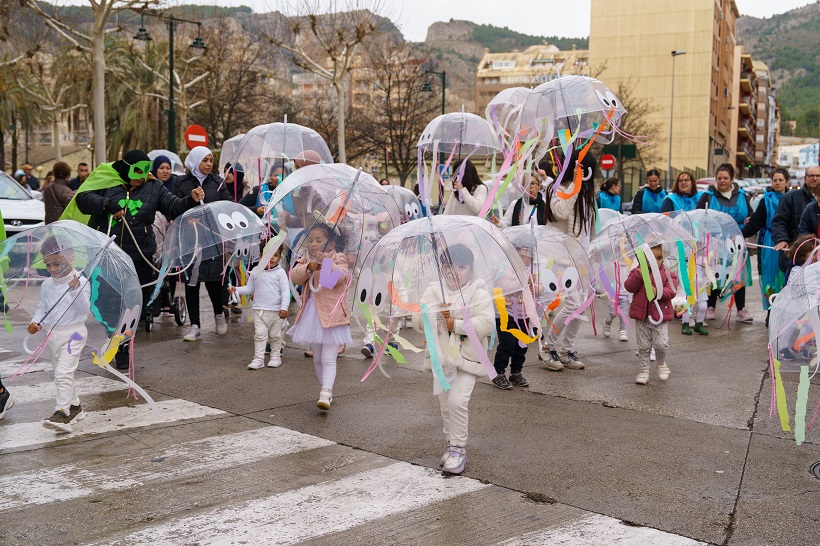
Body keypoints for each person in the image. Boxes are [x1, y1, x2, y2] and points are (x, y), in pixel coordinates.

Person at [74, 149, 204, 368]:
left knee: (132, 304)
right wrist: (107, 205)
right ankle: (111, 336)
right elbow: (83, 198)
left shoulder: (154, 186)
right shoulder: (107, 177)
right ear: (126, 168)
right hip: (107, 252)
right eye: (136, 173)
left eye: (144, 173)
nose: (141, 178)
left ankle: (123, 347)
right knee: (107, 301)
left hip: (140, 254)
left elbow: (173, 207)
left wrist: (190, 200)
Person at [411, 243, 494, 475]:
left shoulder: (478, 292)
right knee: (445, 404)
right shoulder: (434, 291)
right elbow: (417, 321)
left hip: (467, 357)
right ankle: (450, 443)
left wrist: (454, 323)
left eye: (461, 266)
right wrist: (435, 315)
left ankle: (459, 448)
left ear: (470, 269)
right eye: (448, 265)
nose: (453, 271)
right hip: (442, 357)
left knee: (458, 401)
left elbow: (486, 324)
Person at [540, 151, 597, 371]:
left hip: (580, 257)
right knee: (573, 304)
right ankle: (547, 348)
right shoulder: (558, 188)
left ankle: (567, 350)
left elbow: (588, 229)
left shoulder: (585, 194)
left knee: (581, 305)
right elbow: (560, 212)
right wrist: (574, 185)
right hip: (560, 255)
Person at [287, 221, 352, 410]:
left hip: (332, 315)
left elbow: (334, 281)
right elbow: (295, 276)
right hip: (312, 315)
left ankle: (325, 392)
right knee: (317, 357)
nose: (313, 244)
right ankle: (327, 388)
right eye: (311, 240)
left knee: (328, 357)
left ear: (330, 243)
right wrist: (309, 267)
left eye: (319, 240)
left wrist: (326, 264)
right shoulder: (307, 258)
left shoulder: (339, 258)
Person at [29, 236, 91, 431]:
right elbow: (42, 307)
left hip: (74, 334)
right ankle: (76, 407)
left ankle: (62, 413)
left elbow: (83, 311)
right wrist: (35, 321)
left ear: (70, 258)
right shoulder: (48, 285)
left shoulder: (80, 281)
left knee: (63, 373)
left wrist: (75, 291)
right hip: (53, 336)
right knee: (62, 373)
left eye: (57, 263)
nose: (53, 269)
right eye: (48, 265)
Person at [174, 146, 233, 342]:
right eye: (205, 160)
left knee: (215, 280)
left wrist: (213, 217)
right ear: (195, 161)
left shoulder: (218, 182)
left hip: (212, 238)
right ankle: (195, 326)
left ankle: (218, 314)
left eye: (211, 160)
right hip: (190, 239)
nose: (209, 164)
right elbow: (173, 207)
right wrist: (186, 217)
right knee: (192, 283)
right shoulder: (181, 182)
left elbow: (228, 206)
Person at [697, 163, 754, 323]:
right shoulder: (708, 196)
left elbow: (751, 217)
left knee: (738, 274)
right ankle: (710, 307)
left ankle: (741, 310)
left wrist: (743, 233)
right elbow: (698, 217)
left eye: (725, 178)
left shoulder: (742, 196)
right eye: (719, 178)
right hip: (715, 243)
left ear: (732, 179)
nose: (722, 181)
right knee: (715, 273)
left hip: (737, 243)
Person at [229, 242, 290, 369]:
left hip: (276, 312)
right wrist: (237, 290)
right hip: (259, 311)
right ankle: (258, 358)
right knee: (260, 335)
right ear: (261, 255)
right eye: (268, 255)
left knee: (275, 336)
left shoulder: (280, 273)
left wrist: (284, 308)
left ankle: (275, 357)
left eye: (275, 255)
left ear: (279, 257)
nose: (272, 258)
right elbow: (249, 288)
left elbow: (285, 292)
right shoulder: (256, 271)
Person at [624, 244, 677, 385]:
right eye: (652, 258)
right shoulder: (638, 271)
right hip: (642, 316)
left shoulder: (667, 273)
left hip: (659, 317)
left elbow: (671, 291)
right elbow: (629, 286)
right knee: (643, 346)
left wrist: (658, 292)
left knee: (661, 344)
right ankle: (644, 371)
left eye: (659, 258)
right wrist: (638, 276)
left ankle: (661, 363)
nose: (657, 261)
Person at [742, 168, 788, 323]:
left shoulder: (792, 199)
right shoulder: (765, 200)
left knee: (786, 277)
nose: (777, 182)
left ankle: (786, 312)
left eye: (780, 180)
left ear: (786, 182)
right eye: (774, 180)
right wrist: (740, 234)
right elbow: (755, 222)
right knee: (769, 276)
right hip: (769, 243)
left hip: (788, 242)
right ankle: (771, 310)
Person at [492, 249, 540, 389]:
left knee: (521, 346)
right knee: (507, 344)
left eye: (532, 253)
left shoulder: (527, 271)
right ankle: (498, 373)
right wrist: (525, 282)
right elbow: (506, 288)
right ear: (518, 253)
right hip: (506, 315)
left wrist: (534, 287)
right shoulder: (505, 270)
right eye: (527, 252)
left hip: (523, 315)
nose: (531, 256)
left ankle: (516, 371)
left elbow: (537, 289)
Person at [772, 166, 820, 273]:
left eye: (818, 176)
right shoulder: (790, 197)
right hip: (796, 257)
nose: (815, 178)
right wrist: (782, 239)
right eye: (811, 175)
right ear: (805, 178)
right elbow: (779, 222)